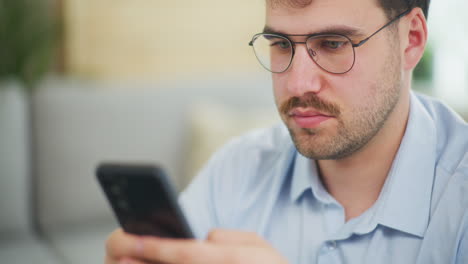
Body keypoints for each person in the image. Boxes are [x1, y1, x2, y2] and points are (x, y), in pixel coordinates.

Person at [105, 0, 468, 263]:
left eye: (333, 44)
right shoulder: (236, 169)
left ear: (412, 39)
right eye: (281, 45)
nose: (297, 84)